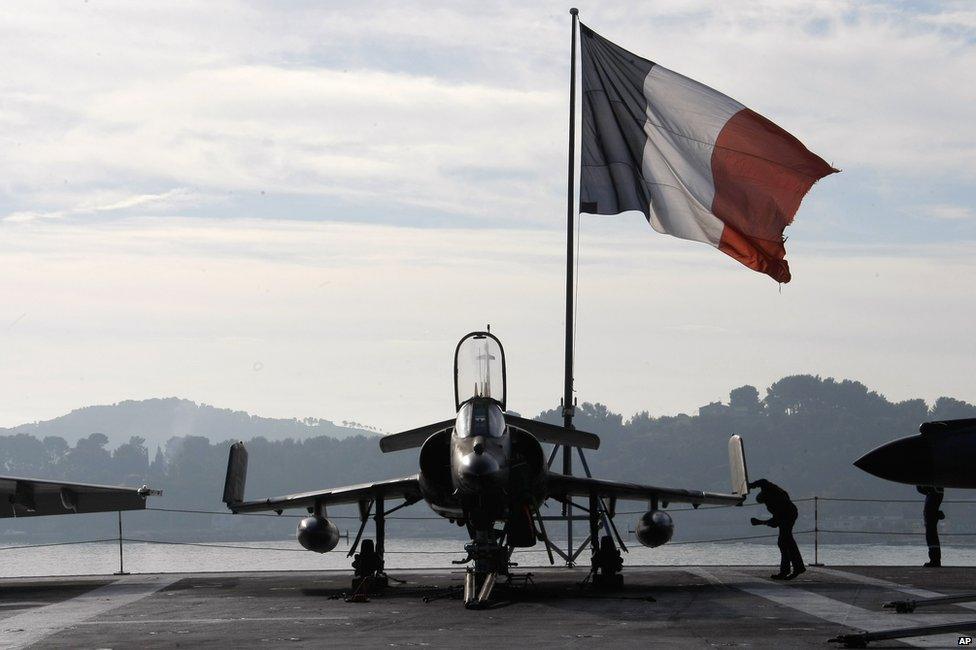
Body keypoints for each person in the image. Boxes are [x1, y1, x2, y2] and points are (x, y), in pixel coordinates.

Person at [749, 478, 805, 580]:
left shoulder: (770, 493)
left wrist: (750, 486)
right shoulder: (773, 494)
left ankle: (792, 569)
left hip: (787, 515)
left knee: (784, 542)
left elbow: (776, 520)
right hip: (790, 513)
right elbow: (775, 522)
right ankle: (793, 569)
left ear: (763, 496)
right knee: (786, 542)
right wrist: (761, 522)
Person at [917, 486, 945, 568]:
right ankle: (935, 559)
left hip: (933, 495)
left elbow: (922, 489)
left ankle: (935, 560)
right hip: (934, 494)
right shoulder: (936, 492)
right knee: (931, 532)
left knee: (931, 533)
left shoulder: (934, 491)